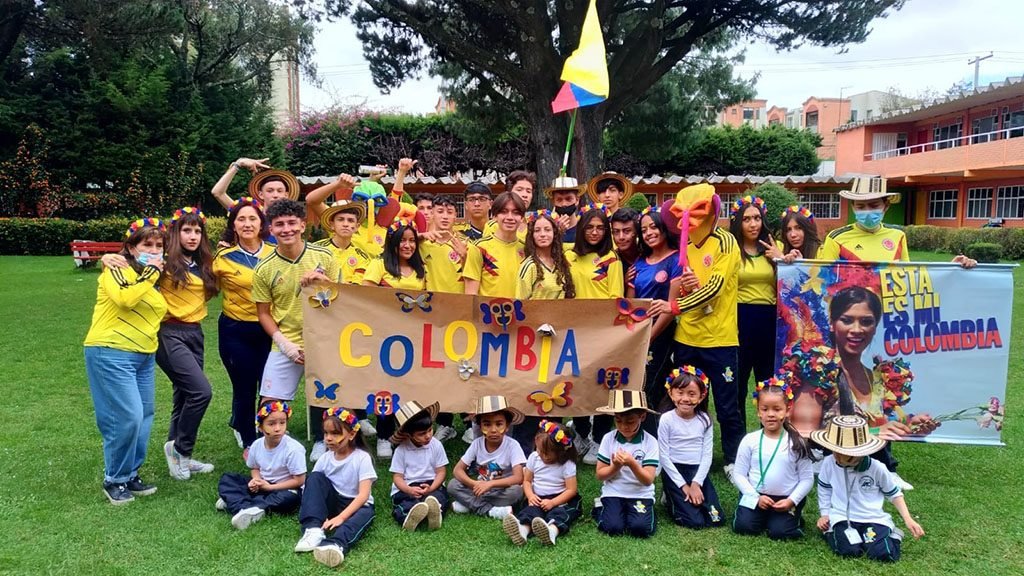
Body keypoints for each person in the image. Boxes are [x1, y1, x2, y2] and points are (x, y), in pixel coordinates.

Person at [649, 184, 744, 478]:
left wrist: (673, 307)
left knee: (728, 406)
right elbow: (687, 288)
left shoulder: (725, 242)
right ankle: (682, 455)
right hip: (687, 339)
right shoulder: (684, 246)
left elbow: (714, 290)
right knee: (684, 403)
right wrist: (685, 290)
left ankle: (732, 460)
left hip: (720, 339)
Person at [84, 218, 167, 504]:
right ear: (131, 247)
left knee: (144, 415)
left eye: (159, 245)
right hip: (111, 350)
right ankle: (114, 479)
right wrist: (152, 274)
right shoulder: (117, 269)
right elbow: (125, 299)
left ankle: (130, 474)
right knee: (127, 416)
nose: (154, 250)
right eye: (147, 244)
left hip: (143, 355)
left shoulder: (151, 278)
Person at [252, 199, 340, 462]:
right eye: (279, 224)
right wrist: (285, 345)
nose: (286, 229)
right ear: (270, 228)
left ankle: (323, 441)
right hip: (287, 341)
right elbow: (263, 313)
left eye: (292, 223)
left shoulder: (324, 257)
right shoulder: (264, 268)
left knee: (326, 394)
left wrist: (324, 283)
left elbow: (342, 299)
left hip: (323, 338)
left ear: (303, 225)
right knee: (270, 401)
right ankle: (269, 449)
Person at [827, 286, 939, 489]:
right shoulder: (819, 373)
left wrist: (911, 424)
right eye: (847, 320)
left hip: (871, 459)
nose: (857, 329)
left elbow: (881, 419)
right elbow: (814, 430)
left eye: (867, 321)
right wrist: (877, 431)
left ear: (876, 326)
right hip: (829, 459)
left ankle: (885, 467)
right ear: (832, 323)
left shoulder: (876, 376)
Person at [158, 207, 219, 481]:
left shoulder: (204, 263)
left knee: (184, 395)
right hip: (168, 333)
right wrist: (112, 258)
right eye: (187, 230)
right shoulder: (162, 262)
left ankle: (181, 453)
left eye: (197, 231)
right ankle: (180, 449)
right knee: (201, 392)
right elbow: (130, 256)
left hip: (195, 333)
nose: (193, 236)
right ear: (175, 232)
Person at [813, 415, 925, 562]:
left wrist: (908, 519)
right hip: (842, 517)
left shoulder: (877, 468)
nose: (839, 459)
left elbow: (894, 494)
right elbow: (824, 488)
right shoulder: (829, 463)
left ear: (862, 451)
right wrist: (825, 514)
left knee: (882, 555)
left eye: (847, 455)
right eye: (836, 452)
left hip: (873, 518)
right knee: (848, 551)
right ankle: (832, 531)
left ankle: (894, 536)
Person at [212, 197, 275, 451]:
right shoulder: (222, 258)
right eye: (241, 219)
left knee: (270, 384)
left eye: (252, 218)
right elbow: (200, 286)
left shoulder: (276, 253)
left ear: (262, 224)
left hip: (270, 329)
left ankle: (269, 432)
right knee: (244, 386)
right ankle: (248, 438)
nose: (247, 224)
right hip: (235, 330)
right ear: (233, 226)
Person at [566, 203, 624, 462]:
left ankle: (600, 437)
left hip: (601, 332)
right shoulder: (569, 256)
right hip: (574, 331)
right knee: (577, 383)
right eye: (589, 227)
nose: (595, 232)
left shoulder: (612, 259)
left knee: (602, 384)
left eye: (601, 228)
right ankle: (580, 433)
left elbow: (616, 298)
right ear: (581, 229)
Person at [819, 177, 976, 268]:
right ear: (853, 207)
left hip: (889, 310)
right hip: (855, 315)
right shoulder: (836, 238)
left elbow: (907, 276)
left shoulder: (897, 236)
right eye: (861, 206)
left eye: (874, 205)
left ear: (885, 206)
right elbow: (824, 278)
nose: (867, 211)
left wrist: (951, 267)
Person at [732, 376, 814, 540]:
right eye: (765, 409)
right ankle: (764, 516)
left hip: (785, 499)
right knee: (744, 527)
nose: (770, 414)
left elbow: (807, 478)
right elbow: (739, 474)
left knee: (780, 533)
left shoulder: (797, 443)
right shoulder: (750, 440)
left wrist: (792, 500)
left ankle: (789, 517)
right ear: (758, 412)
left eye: (777, 409)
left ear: (787, 410)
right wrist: (755, 497)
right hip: (756, 495)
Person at [294, 408, 377, 569]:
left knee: (365, 514)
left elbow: (363, 495)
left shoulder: (362, 458)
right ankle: (313, 529)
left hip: (357, 504)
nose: (329, 439)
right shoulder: (325, 459)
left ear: (352, 434)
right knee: (314, 477)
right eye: (326, 433)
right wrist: (321, 512)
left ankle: (335, 544)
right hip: (333, 502)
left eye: (335, 433)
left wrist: (341, 518)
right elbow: (312, 489)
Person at [729, 195, 783, 427]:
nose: (753, 224)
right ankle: (739, 442)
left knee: (768, 383)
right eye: (747, 219)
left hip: (769, 321)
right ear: (738, 222)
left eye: (757, 218)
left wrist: (781, 261)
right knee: (738, 386)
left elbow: (790, 286)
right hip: (739, 321)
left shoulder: (773, 248)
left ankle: (768, 434)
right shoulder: (731, 250)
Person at [629, 207, 682, 431]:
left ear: (664, 228)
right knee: (647, 385)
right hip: (637, 333)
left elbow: (670, 307)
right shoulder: (639, 262)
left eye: (653, 226)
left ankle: (654, 440)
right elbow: (630, 304)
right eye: (644, 229)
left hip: (660, 333)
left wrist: (649, 337)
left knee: (649, 386)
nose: (649, 232)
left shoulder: (677, 260)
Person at [216, 401, 306, 530]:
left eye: (282, 422)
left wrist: (270, 487)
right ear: (260, 427)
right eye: (271, 424)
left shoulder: (294, 449)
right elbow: (255, 468)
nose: (277, 428)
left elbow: (299, 480)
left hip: (284, 488)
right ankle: (250, 508)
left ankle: (240, 504)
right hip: (262, 485)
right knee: (228, 479)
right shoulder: (257, 445)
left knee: (289, 498)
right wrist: (256, 480)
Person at [658, 367, 725, 529]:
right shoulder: (666, 419)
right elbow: (663, 456)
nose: (685, 399)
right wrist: (684, 486)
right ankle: (669, 497)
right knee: (694, 522)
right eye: (680, 393)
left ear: (701, 396)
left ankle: (693, 500)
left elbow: (707, 454)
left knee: (715, 519)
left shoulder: (705, 420)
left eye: (692, 393)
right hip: (675, 471)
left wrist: (696, 483)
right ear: (671, 393)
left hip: (697, 471)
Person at [592, 390, 660, 538]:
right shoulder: (608, 439)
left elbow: (648, 480)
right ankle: (600, 507)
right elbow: (600, 474)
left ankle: (643, 511)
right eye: (618, 421)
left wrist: (632, 464)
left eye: (630, 421)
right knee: (613, 528)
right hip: (614, 491)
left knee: (640, 529)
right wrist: (615, 466)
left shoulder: (650, 442)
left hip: (641, 493)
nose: (623, 426)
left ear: (642, 416)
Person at [502, 420, 581, 546]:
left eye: (547, 453)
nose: (542, 455)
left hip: (561, 499)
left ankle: (551, 531)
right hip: (538, 497)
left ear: (560, 451)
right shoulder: (534, 457)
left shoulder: (567, 464)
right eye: (539, 450)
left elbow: (571, 490)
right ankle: (523, 530)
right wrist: (530, 496)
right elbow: (527, 480)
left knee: (560, 514)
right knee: (530, 511)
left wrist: (553, 502)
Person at [448, 395, 527, 519]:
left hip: (501, 490)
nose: (493, 430)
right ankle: (490, 510)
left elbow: (518, 477)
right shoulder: (477, 444)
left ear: (507, 426)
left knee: (517, 492)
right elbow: (457, 470)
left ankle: (469, 504)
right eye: (487, 424)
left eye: (499, 424)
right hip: (479, 488)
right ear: (480, 426)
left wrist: (490, 485)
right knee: (453, 485)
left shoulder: (512, 445)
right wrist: (474, 484)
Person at [388, 401, 448, 531]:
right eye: (422, 434)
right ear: (409, 435)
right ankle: (408, 516)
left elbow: (441, 471)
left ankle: (434, 512)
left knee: (439, 497)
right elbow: (397, 477)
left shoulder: (436, 445)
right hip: (408, 485)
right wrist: (408, 490)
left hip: (431, 483)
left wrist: (432, 487)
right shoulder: (401, 450)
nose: (428, 436)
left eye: (430, 430)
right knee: (404, 502)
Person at [463, 192, 526, 297]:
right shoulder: (479, 248)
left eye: (515, 212)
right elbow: (471, 295)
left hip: (521, 312)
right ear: (495, 216)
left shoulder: (526, 249)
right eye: (504, 212)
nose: (510, 217)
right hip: (488, 312)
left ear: (522, 218)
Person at [516, 210, 575, 300]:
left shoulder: (561, 263)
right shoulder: (530, 266)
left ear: (554, 233)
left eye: (547, 230)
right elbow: (521, 303)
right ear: (532, 235)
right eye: (537, 230)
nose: (542, 234)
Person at [314, 197, 373, 285]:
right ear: (332, 224)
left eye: (350, 220)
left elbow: (358, 286)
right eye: (340, 219)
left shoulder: (362, 256)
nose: (345, 224)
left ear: (357, 226)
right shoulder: (316, 249)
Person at [211, 156, 297, 211]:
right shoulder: (252, 217)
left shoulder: (293, 220)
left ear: (286, 195)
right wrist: (238, 164)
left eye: (279, 191)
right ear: (261, 194)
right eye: (270, 191)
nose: (275, 195)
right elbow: (218, 193)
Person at [544, 176, 584, 244]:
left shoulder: (585, 228)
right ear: (553, 202)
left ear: (577, 200)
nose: (564, 204)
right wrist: (558, 232)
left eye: (568, 199)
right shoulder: (545, 229)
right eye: (559, 200)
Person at [610, 208, 640, 295]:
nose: (621, 237)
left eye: (627, 231)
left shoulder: (649, 255)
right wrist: (622, 282)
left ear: (636, 232)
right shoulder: (611, 260)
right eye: (616, 232)